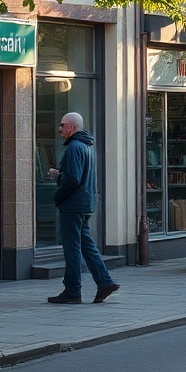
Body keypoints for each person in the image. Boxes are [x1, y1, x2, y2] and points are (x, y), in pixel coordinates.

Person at [47, 112, 120, 304]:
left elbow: (72, 179)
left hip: (73, 205)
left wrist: (57, 188)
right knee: (87, 246)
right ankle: (105, 282)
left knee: (72, 249)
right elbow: (78, 176)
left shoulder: (74, 147)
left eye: (62, 125)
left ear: (72, 126)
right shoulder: (87, 146)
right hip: (85, 203)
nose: (60, 129)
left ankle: (72, 291)